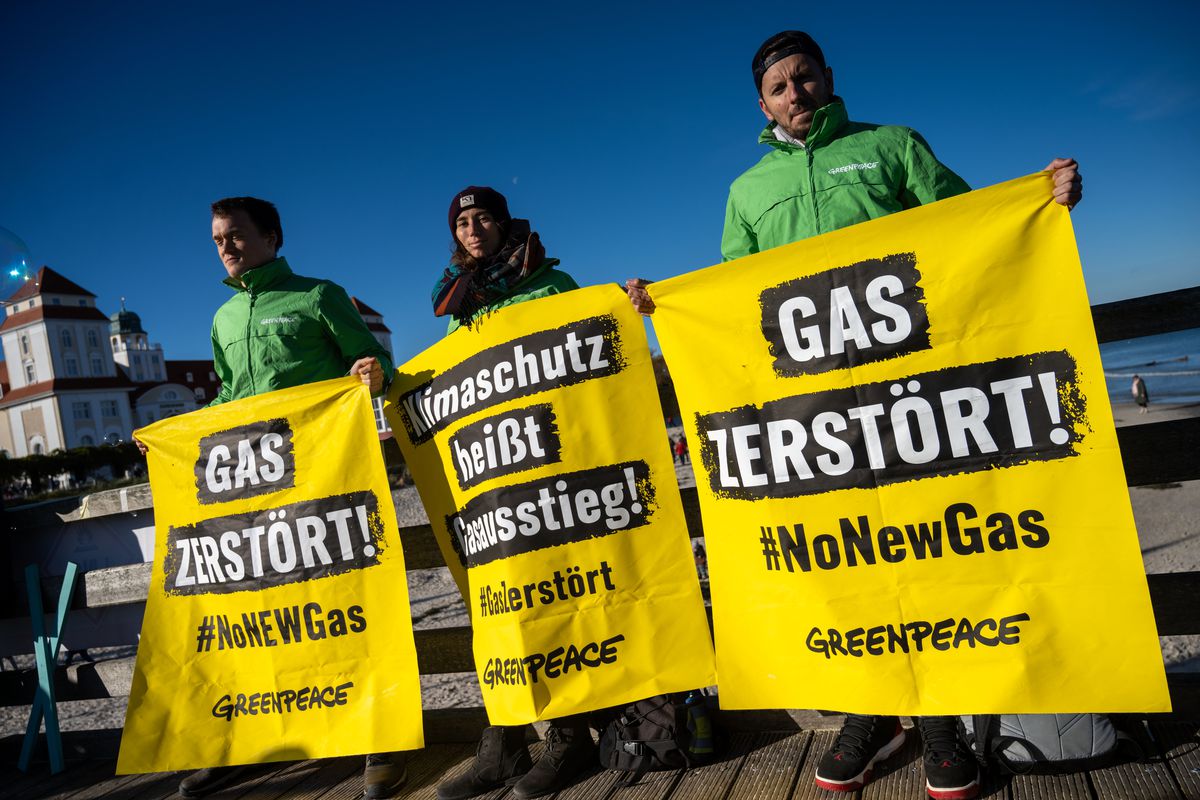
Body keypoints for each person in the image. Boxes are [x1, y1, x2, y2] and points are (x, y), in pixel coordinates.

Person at [625, 30, 1083, 800]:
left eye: (804, 77)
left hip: (913, 398)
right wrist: (663, 306)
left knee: (929, 547)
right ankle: (873, 712)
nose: (794, 93)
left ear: (827, 78)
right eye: (778, 86)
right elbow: (734, 300)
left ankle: (937, 716)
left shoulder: (893, 144)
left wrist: (1040, 202)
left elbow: (969, 225)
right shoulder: (746, 192)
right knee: (846, 558)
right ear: (762, 103)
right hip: (818, 416)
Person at [140, 197, 403, 800]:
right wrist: (168, 439)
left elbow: (375, 361)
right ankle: (245, 745)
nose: (225, 247)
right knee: (254, 618)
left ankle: (379, 743)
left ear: (272, 237)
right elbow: (228, 401)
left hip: (325, 485)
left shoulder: (318, 296)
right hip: (251, 498)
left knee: (345, 607)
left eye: (235, 236)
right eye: (216, 239)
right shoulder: (223, 320)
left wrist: (372, 371)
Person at [432, 187, 592, 800]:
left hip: (555, 461)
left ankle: (569, 735)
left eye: (482, 219)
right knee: (502, 603)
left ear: (503, 225)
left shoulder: (552, 283)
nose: (473, 230)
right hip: (496, 470)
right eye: (462, 223)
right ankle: (503, 742)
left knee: (561, 594)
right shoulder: (459, 301)